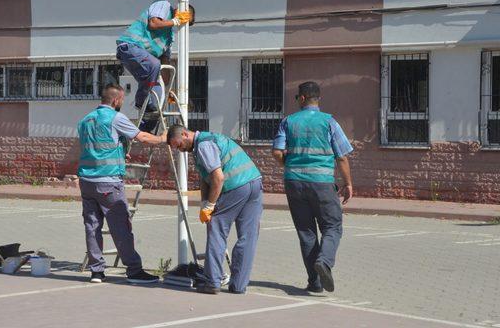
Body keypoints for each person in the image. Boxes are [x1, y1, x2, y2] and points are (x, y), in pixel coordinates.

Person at [77, 84, 167, 284]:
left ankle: (97, 272)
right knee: (121, 227)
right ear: (116, 100)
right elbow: (142, 136)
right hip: (108, 181)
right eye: (122, 101)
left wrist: (119, 150)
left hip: (87, 181)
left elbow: (96, 146)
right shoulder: (115, 118)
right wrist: (162, 138)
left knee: (92, 227)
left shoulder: (85, 120)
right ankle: (134, 270)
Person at [272, 81, 354, 293]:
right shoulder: (329, 122)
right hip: (322, 184)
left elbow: (277, 153)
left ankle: (315, 283)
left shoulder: (288, 121)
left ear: (301, 98)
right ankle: (325, 262)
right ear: (318, 99)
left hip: (294, 183)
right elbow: (342, 157)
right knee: (332, 226)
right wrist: (348, 183)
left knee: (306, 233)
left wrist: (289, 165)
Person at [167, 125, 263, 295]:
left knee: (216, 229)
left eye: (179, 145)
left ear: (184, 134)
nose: (179, 150)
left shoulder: (203, 146)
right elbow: (206, 178)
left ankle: (213, 282)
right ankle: (238, 285)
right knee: (248, 236)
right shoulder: (209, 140)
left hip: (236, 186)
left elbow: (218, 178)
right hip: (254, 183)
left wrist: (211, 206)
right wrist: (204, 203)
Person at [116, 0, 195, 131]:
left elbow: (165, 64)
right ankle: (141, 103)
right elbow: (153, 23)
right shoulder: (163, 6)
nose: (181, 21)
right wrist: (175, 20)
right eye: (183, 17)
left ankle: (146, 127)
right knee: (154, 64)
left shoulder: (169, 38)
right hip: (129, 46)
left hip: (142, 59)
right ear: (179, 10)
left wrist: (167, 90)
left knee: (158, 97)